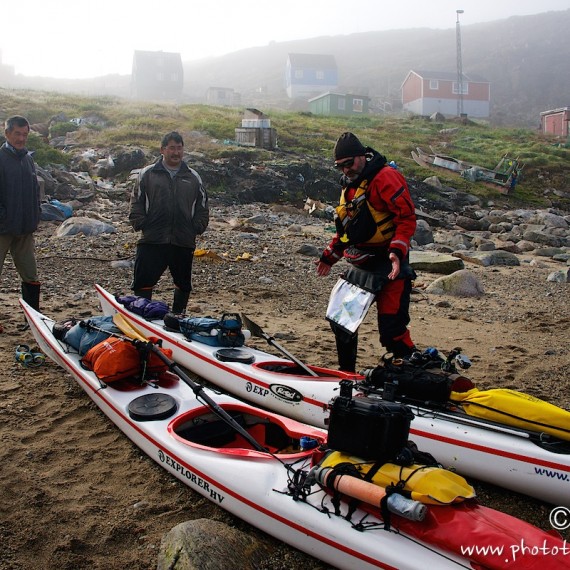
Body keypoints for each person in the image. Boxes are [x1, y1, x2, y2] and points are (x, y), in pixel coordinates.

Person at [316, 132, 417, 372]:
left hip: (390, 264)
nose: (345, 171)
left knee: (393, 331)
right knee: (341, 324)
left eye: (349, 164)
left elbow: (406, 218)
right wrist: (330, 256)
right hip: (362, 265)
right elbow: (348, 228)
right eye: (340, 166)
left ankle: (414, 370)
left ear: (363, 156)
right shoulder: (349, 186)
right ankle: (346, 375)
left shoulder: (386, 178)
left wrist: (397, 251)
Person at [129, 131, 209, 314]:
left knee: (183, 282)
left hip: (183, 239)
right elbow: (136, 200)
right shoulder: (148, 173)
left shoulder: (192, 176)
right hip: (153, 238)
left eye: (179, 148)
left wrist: (197, 226)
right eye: (172, 148)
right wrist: (139, 222)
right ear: (163, 150)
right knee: (143, 280)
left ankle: (177, 317)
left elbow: (203, 205)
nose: (176, 152)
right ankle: (140, 316)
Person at [0, 116, 42, 319]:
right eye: (17, 133)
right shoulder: (0, 158)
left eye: (25, 134)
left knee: (30, 274)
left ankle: (33, 317)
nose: (21, 138)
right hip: (3, 228)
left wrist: (35, 216)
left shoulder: (28, 159)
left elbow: (35, 191)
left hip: (25, 228)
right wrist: (4, 218)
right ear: (7, 133)